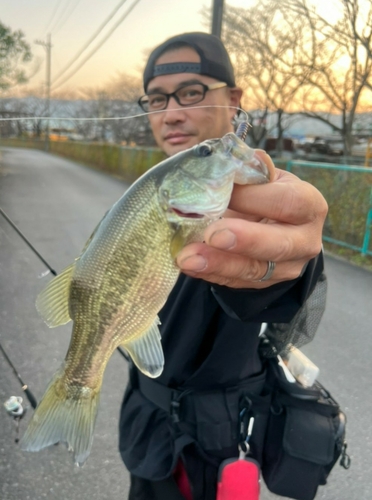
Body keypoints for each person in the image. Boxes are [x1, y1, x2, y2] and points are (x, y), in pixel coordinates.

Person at [119, 32, 328, 500]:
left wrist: (283, 265)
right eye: (156, 99)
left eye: (192, 92)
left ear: (233, 101)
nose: (171, 112)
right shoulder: (144, 196)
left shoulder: (256, 198)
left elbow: (285, 282)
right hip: (144, 427)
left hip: (217, 444)